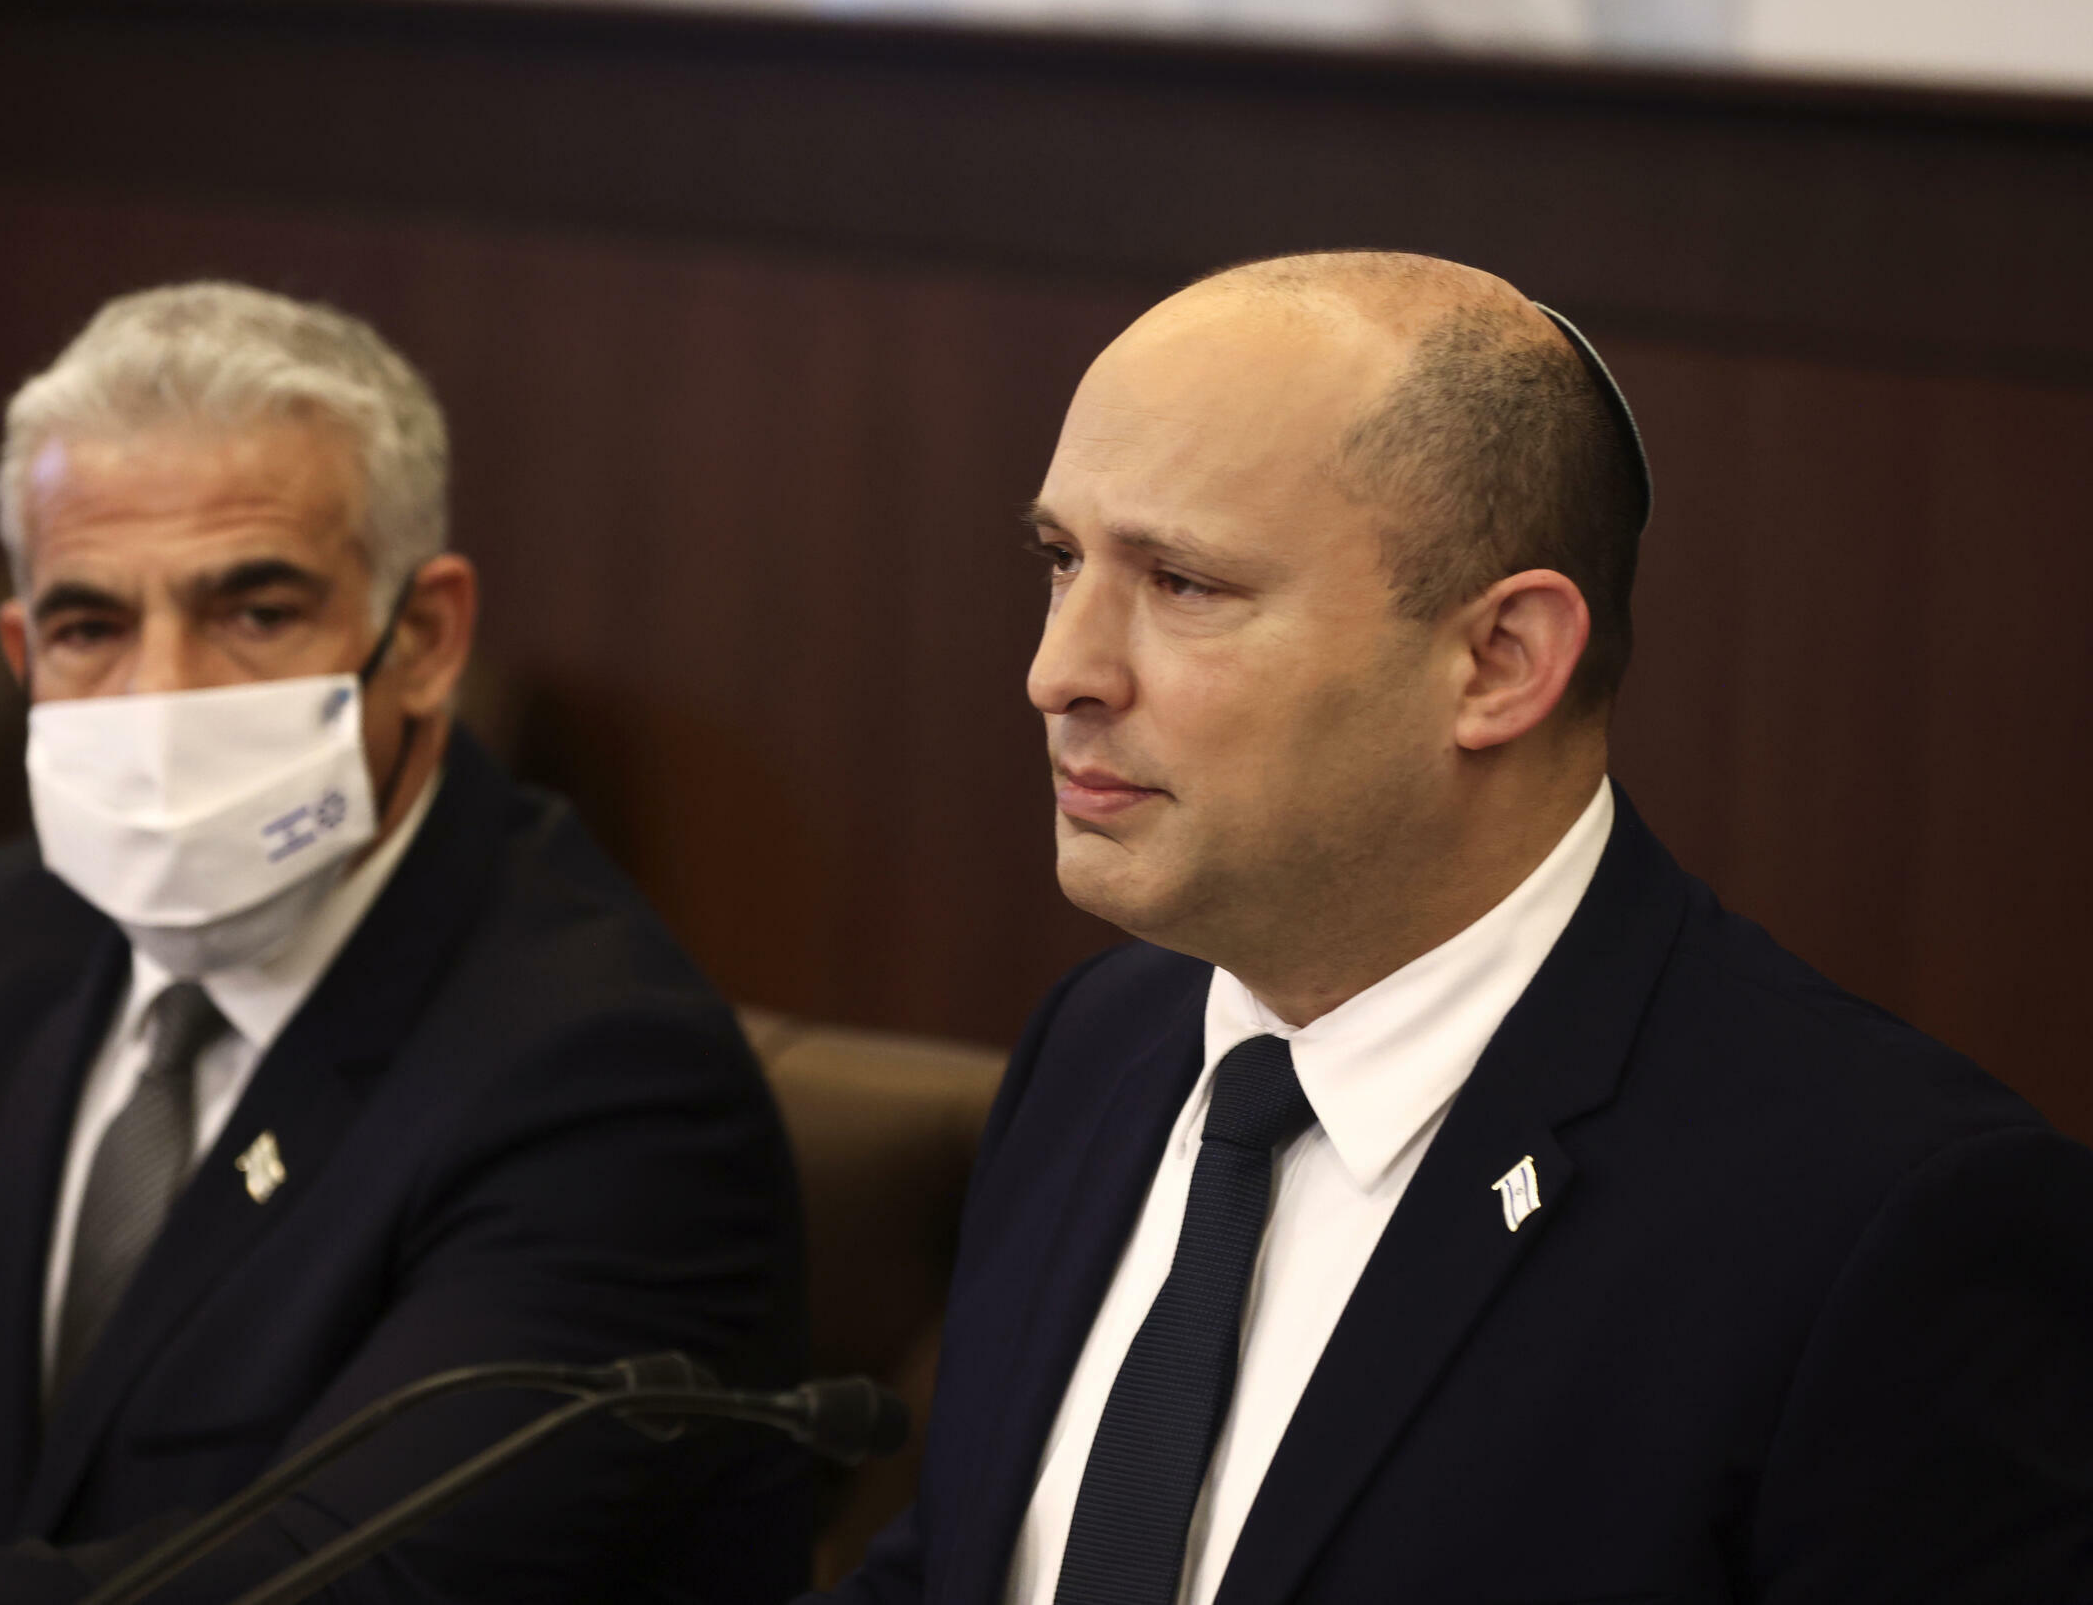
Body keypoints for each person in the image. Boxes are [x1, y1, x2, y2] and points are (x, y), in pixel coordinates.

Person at [813, 251, 2093, 1605]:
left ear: (1500, 662)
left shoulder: (1882, 1220)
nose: (1058, 669)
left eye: (1182, 583)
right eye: (1062, 560)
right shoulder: (1102, 1046)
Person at [0, 283, 810, 1604]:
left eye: (255, 612)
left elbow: (310, 1586)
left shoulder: (606, 1081)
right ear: (23, 652)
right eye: (92, 626)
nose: (163, 694)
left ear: (424, 638)